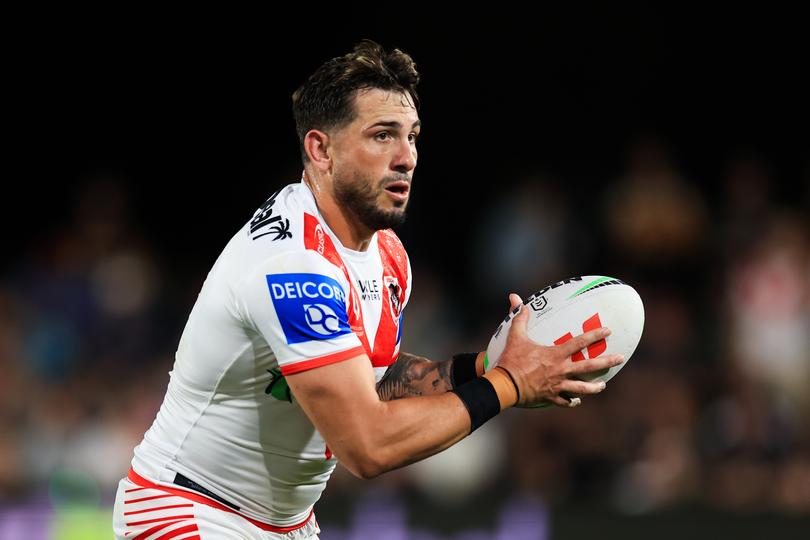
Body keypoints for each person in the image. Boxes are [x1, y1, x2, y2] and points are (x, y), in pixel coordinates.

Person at [111, 40, 623, 539]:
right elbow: (367, 446)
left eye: (413, 136)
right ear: (321, 149)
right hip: (185, 510)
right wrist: (510, 385)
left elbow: (373, 376)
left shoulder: (386, 255)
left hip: (285, 524)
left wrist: (485, 367)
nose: (407, 157)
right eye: (382, 136)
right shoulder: (293, 267)